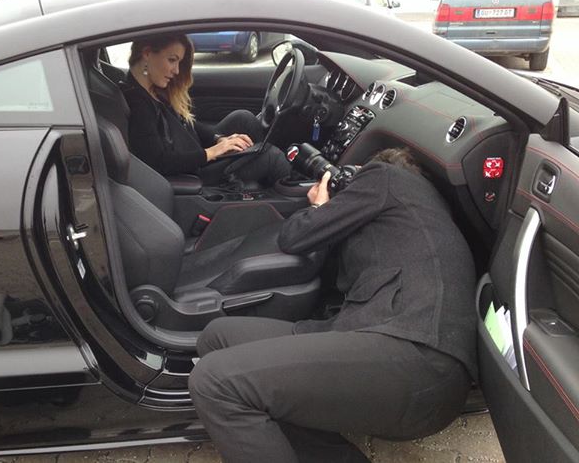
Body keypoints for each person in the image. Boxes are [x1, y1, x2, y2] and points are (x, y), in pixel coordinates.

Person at [188, 147, 477, 463]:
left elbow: (295, 237)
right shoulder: (413, 207)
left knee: (215, 382)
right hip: (385, 339)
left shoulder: (385, 176)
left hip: (419, 356)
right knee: (217, 337)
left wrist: (319, 205)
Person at [121, 34, 291, 187]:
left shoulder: (153, 90)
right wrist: (211, 152)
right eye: (172, 60)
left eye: (179, 62)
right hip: (192, 174)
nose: (177, 70)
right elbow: (157, 161)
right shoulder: (137, 104)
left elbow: (185, 124)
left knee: (243, 118)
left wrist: (218, 139)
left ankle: (262, 174)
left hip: (193, 153)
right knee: (272, 157)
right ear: (147, 53)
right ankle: (290, 190)